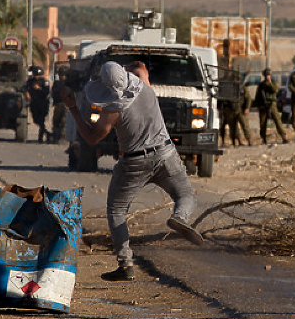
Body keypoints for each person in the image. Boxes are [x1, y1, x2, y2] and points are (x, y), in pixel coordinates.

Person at [62, 61, 204, 281]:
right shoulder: (144, 84)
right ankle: (179, 216)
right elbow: (141, 66)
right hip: (165, 153)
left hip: (134, 162)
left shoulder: (113, 109)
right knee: (185, 195)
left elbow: (91, 138)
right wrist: (127, 67)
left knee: (117, 209)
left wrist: (72, 108)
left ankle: (126, 264)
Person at [253, 68, 288, 145]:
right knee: (262, 123)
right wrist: (258, 105)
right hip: (263, 105)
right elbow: (258, 96)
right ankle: (263, 139)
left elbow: (275, 90)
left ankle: (284, 137)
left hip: (272, 105)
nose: (267, 76)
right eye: (266, 75)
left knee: (278, 121)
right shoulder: (261, 85)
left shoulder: (274, 83)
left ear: (270, 76)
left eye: (268, 75)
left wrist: (269, 83)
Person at [25, 66, 51, 143]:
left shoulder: (44, 82)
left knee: (41, 120)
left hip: (42, 103)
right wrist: (27, 93)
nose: (36, 77)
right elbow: (26, 88)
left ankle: (41, 138)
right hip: (34, 103)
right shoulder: (30, 81)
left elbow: (47, 92)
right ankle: (47, 133)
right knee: (36, 120)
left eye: (38, 75)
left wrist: (39, 89)